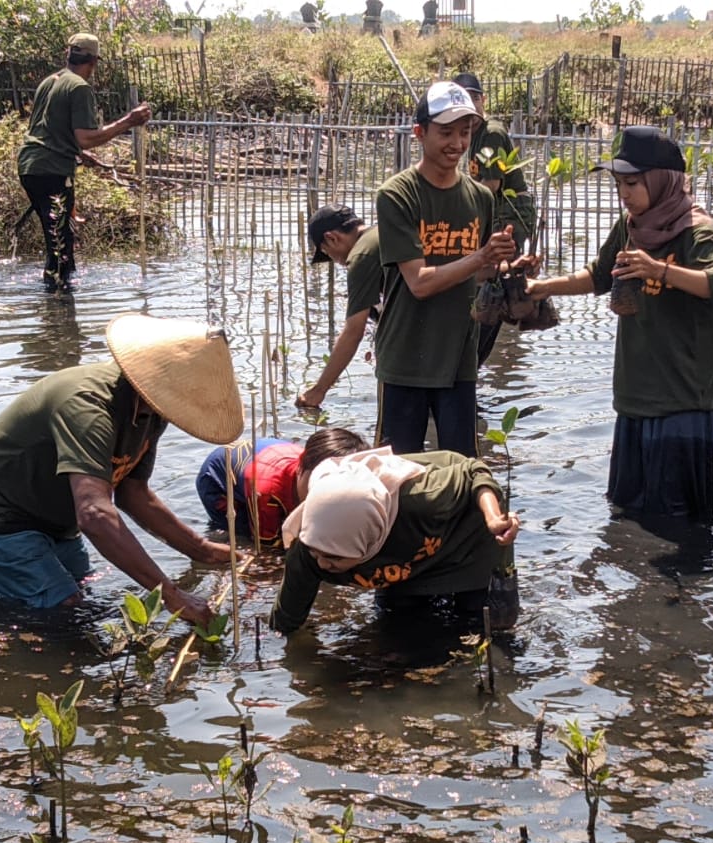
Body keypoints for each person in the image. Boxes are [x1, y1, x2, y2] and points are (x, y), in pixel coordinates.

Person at [0, 313, 243, 623]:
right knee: (62, 611)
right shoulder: (89, 407)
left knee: (82, 592)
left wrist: (201, 550)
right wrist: (171, 595)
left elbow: (132, 493)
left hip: (53, 512)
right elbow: (94, 514)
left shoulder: (152, 412)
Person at [526, 127, 713, 526]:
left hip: (680, 403)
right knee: (627, 515)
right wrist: (540, 287)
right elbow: (598, 276)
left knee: (680, 523)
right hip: (634, 397)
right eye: (618, 184)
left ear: (662, 181)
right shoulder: (631, 226)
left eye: (632, 183)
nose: (623, 193)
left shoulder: (695, 231)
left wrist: (660, 269)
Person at [375, 81, 520, 456]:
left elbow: (478, 273)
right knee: (395, 476)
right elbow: (419, 284)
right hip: (406, 358)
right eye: (446, 132)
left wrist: (508, 267)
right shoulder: (397, 195)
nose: (457, 143)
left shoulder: (480, 197)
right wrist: (480, 257)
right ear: (419, 133)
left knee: (462, 472)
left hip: (458, 360)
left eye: (465, 132)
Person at [268, 448, 521, 634]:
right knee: (398, 627)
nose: (322, 564)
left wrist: (492, 518)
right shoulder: (307, 551)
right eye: (317, 553)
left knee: (484, 625)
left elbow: (473, 471)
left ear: (368, 540)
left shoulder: (425, 500)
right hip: (404, 548)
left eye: (334, 557)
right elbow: (286, 621)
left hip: (460, 532)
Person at [17, 34, 153, 293]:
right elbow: (86, 137)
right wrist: (129, 121)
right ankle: (60, 306)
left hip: (30, 165)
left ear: (68, 55)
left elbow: (50, 130)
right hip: (51, 169)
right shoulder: (79, 87)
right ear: (93, 62)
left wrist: (77, 154)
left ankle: (60, 307)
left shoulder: (50, 81)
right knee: (60, 244)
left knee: (58, 237)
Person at [455, 71, 538, 365]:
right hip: (495, 209)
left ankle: (482, 352)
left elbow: (489, 188)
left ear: (482, 100)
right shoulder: (468, 133)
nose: (470, 104)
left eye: (474, 98)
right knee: (492, 276)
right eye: (464, 98)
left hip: (510, 209)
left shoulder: (489, 133)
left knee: (495, 277)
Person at [195, 427, 370, 546]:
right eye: (316, 485)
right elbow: (266, 548)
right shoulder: (266, 492)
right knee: (243, 536)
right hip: (219, 481)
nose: (322, 494)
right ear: (302, 465)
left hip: (265, 455)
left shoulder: (320, 465)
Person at [296, 204, 383, 409]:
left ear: (332, 238)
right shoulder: (384, 234)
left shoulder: (362, 255)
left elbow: (354, 331)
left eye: (327, 253)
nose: (335, 261)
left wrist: (319, 390)